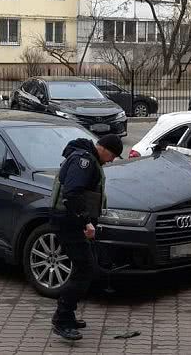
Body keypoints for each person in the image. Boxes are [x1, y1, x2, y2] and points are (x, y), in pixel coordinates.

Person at [50, 134, 123, 341]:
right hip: (70, 223)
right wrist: (86, 222)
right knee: (85, 270)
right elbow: (72, 194)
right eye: (112, 156)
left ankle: (68, 313)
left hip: (72, 223)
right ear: (104, 149)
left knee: (83, 268)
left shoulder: (86, 158)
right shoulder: (85, 161)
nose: (111, 161)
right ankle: (61, 318)